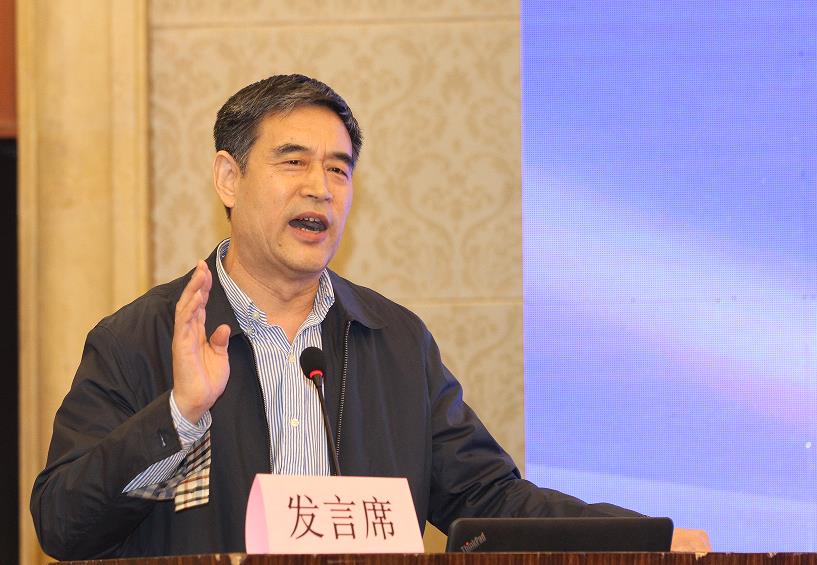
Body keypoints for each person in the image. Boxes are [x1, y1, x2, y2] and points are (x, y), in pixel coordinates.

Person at [30, 74, 702, 560]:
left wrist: (643, 539)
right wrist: (179, 414)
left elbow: (489, 501)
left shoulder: (395, 341)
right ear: (228, 178)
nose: (319, 188)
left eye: (339, 169)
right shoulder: (141, 337)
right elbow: (61, 525)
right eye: (293, 162)